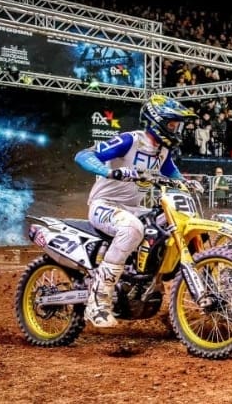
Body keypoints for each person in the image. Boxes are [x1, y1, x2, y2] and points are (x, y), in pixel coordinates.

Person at [74, 94, 199, 328]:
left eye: (177, 124)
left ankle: (146, 282)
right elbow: (83, 155)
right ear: (157, 121)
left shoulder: (162, 151)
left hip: (132, 207)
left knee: (167, 224)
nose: (176, 129)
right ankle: (97, 301)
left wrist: (187, 183)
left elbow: (174, 174)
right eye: (172, 123)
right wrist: (109, 172)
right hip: (104, 204)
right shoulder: (130, 140)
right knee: (132, 229)